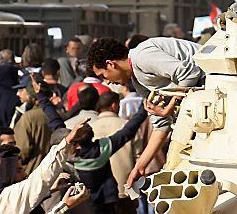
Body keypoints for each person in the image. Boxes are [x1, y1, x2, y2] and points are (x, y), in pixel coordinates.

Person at [86, 37, 203, 187]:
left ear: (110, 64)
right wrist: (139, 167)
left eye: (103, 75)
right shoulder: (138, 81)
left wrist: (171, 105)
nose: (107, 82)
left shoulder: (141, 57)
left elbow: (190, 73)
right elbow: (161, 126)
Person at [35, 80, 147, 214]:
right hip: (107, 202)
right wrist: (144, 107)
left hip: (82, 204)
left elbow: (55, 121)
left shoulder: (70, 155)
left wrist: (42, 97)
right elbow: (128, 131)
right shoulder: (102, 149)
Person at [0, 123, 90, 214]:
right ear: (6, 174)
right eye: (19, 170)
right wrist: (65, 205)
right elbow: (41, 178)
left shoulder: (1, 194)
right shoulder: (5, 198)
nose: (25, 174)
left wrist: (50, 190)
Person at [88, 91, 139, 214]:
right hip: (125, 188)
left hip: (98, 191)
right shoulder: (127, 126)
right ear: (114, 105)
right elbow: (138, 155)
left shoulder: (89, 128)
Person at [11, 75, 51, 175]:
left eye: (21, 90)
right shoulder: (57, 114)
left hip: (32, 172)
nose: (18, 93)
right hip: (53, 171)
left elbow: (22, 150)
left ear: (30, 93)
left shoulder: (28, 118)